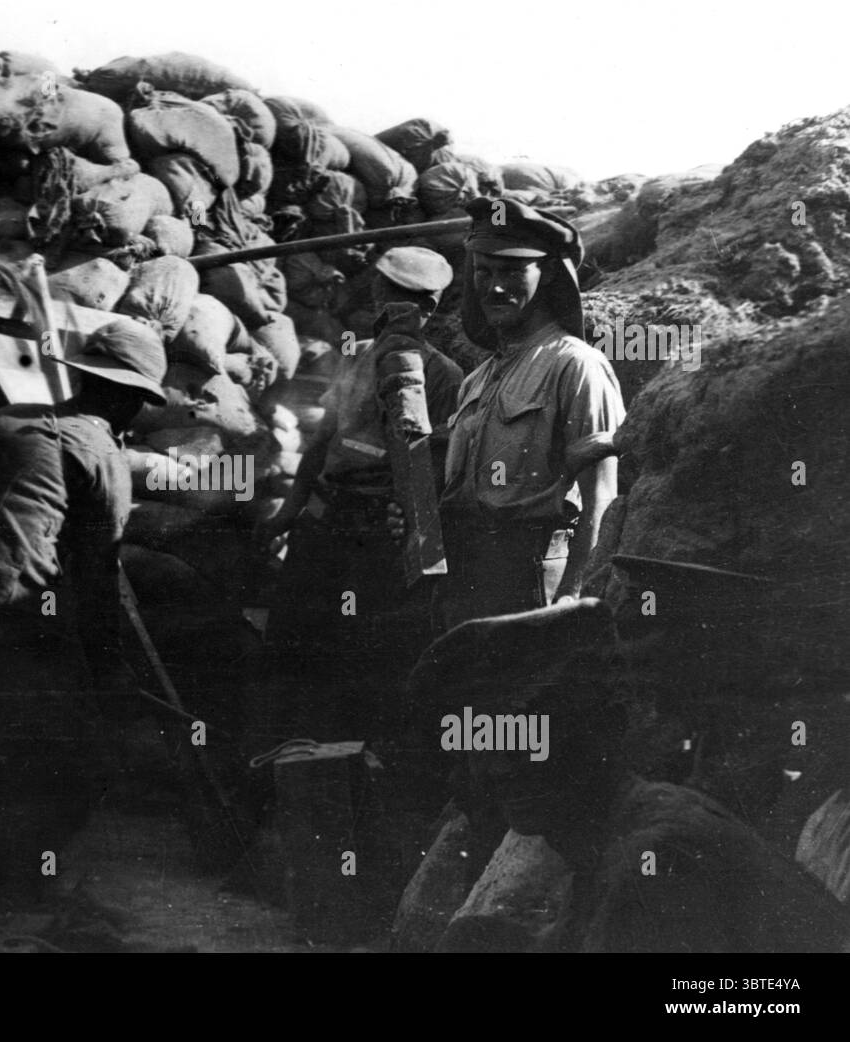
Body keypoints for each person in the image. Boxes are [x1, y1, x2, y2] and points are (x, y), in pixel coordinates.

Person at [422, 600, 850, 952]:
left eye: (532, 738)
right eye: (486, 742)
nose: (499, 767)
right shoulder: (616, 836)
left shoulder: (653, 861)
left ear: (603, 731)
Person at [0, 319, 167, 881]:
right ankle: (16, 877)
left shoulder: (2, 420)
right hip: (6, 613)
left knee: (1, 718)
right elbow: (99, 574)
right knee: (73, 756)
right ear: (134, 401)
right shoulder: (100, 454)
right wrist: (107, 667)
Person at [256, 246, 461, 746]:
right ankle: (277, 753)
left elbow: (433, 466)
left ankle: (351, 762)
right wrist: (290, 507)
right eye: (386, 297)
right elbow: (324, 437)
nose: (392, 311)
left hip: (376, 536)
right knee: (291, 639)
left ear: (430, 310)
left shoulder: (442, 376)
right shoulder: (355, 355)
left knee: (361, 650)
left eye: (410, 303)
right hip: (324, 521)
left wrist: (415, 534)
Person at [433, 197, 625, 631]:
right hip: (464, 577)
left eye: (513, 271)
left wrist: (573, 595)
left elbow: (602, 499)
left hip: (531, 580)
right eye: (484, 272)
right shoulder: (476, 379)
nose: (494, 287)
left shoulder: (576, 366)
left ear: (549, 272)